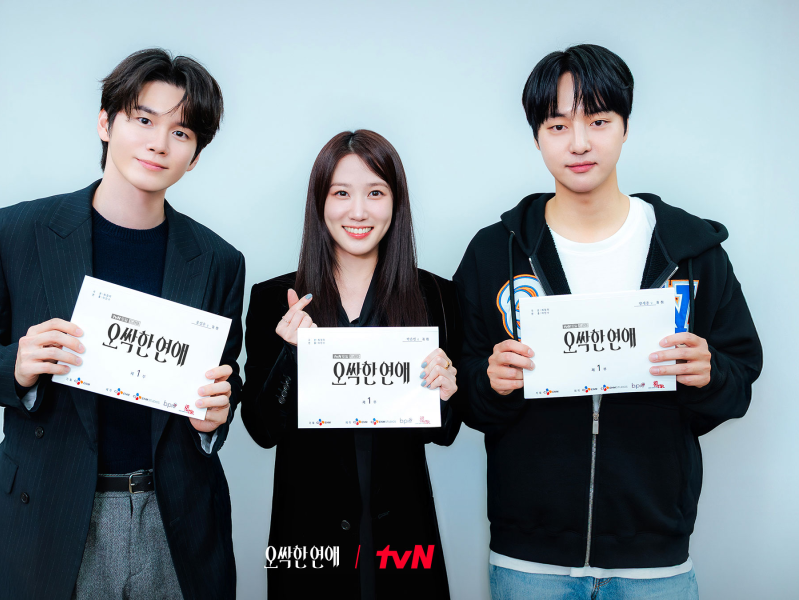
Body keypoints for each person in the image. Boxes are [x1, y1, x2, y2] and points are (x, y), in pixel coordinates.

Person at [453, 44, 763, 599]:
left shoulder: (691, 252)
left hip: (655, 558)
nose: (578, 143)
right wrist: (488, 381)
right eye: (557, 126)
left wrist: (709, 374)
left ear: (624, 127)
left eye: (598, 121)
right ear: (537, 137)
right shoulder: (493, 252)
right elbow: (461, 392)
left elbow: (739, 384)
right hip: (529, 559)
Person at [0, 49, 245, 600]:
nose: (159, 143)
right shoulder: (19, 230)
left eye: (180, 132)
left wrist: (216, 415)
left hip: (174, 519)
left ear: (195, 156)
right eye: (144, 119)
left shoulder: (219, 260)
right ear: (106, 122)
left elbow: (226, 376)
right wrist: (17, 364)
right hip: (49, 513)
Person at [241, 130, 463, 599]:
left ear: (395, 203)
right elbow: (261, 430)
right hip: (306, 543)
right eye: (341, 193)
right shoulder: (273, 299)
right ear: (319, 203)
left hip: (405, 542)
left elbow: (444, 433)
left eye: (375, 193)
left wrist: (446, 390)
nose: (358, 211)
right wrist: (291, 354)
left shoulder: (436, 296)